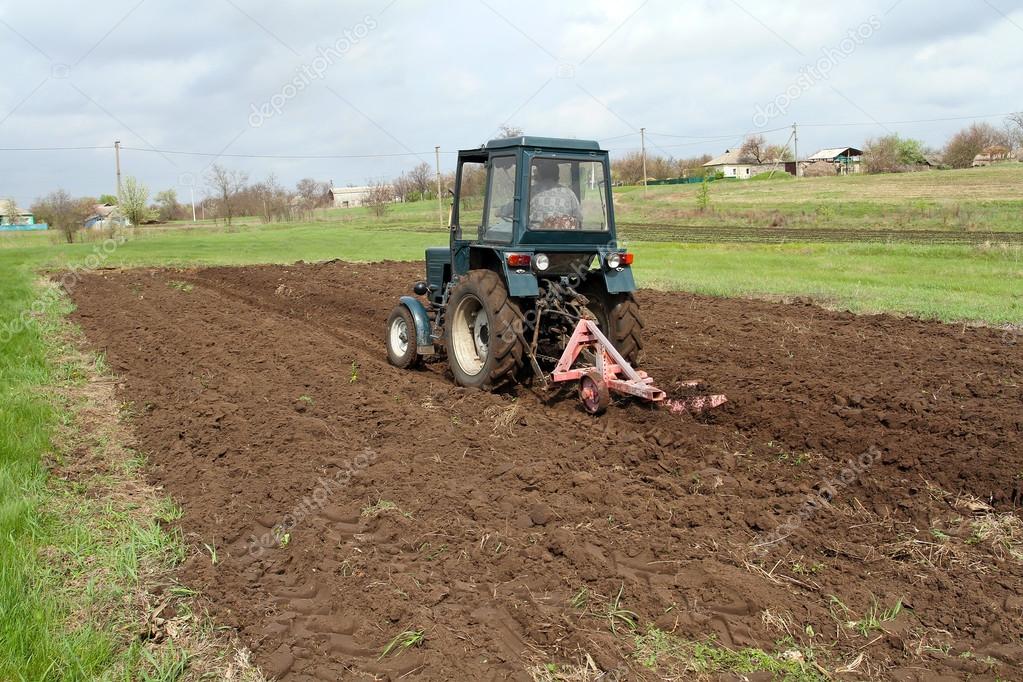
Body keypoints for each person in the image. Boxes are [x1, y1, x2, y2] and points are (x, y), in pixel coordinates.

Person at [529, 160, 582, 229]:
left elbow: (512, 209)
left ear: (539, 176)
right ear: (557, 177)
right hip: (563, 238)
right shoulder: (569, 193)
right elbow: (578, 217)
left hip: (534, 237)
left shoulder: (530, 192)